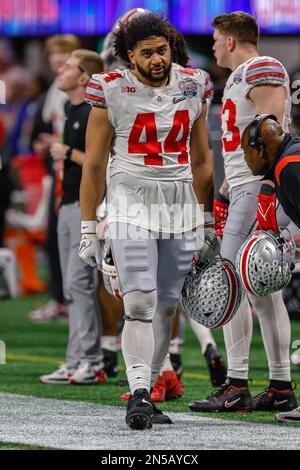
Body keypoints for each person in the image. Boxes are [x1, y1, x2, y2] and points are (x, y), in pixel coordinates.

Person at [79, 12, 213, 430]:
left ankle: (151, 387)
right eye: (148, 53)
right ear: (130, 55)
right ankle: (138, 392)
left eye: (163, 50)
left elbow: (203, 159)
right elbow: (95, 166)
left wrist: (206, 217)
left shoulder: (194, 84)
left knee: (167, 305)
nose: (158, 59)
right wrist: (89, 226)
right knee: (138, 302)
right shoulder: (111, 88)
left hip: (178, 203)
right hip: (129, 200)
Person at [189, 11, 297, 414]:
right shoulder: (242, 74)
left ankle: (235, 384)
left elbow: (272, 133)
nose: (213, 45)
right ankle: (280, 386)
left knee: (230, 283)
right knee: (263, 291)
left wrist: (267, 189)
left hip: (258, 189)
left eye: (217, 39)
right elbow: (245, 141)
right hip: (245, 187)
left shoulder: (262, 68)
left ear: (231, 40)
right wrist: (228, 184)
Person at [39, 49, 106, 385]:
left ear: (84, 78)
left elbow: (99, 162)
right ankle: (75, 360)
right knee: (72, 286)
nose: (60, 71)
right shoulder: (68, 108)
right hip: (67, 202)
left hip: (86, 207)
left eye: (67, 67)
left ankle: (92, 361)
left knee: (81, 285)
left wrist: (66, 151)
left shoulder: (95, 111)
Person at [28, 34, 81, 320]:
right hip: (60, 168)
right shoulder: (56, 86)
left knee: (77, 242)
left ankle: (74, 301)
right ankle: (62, 298)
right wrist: (47, 144)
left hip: (76, 168)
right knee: (56, 238)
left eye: (65, 54)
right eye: (54, 54)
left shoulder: (81, 85)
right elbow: (50, 127)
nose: (58, 60)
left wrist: (60, 144)